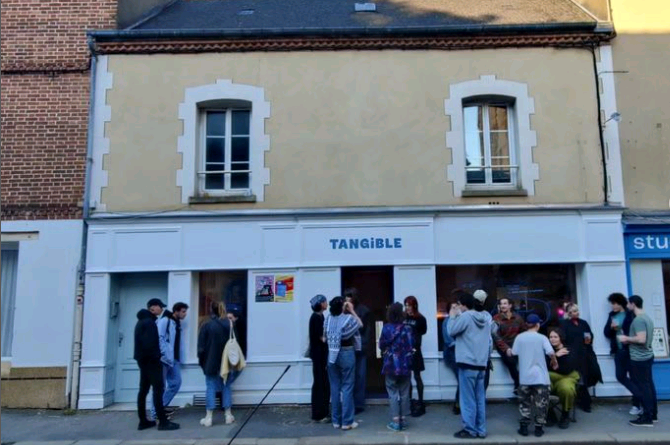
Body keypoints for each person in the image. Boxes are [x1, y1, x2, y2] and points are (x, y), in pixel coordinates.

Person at [447, 292, 493, 439]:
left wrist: (453, 316)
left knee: (467, 399)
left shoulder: (466, 317)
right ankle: (481, 429)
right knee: (480, 398)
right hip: (481, 364)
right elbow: (490, 341)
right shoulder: (486, 317)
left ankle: (470, 429)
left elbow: (451, 331)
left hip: (467, 363)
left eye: (459, 304)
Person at [134, 300, 179, 431]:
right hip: (152, 362)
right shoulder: (150, 323)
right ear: (153, 308)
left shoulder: (141, 322)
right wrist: (158, 357)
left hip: (143, 361)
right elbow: (151, 344)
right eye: (160, 307)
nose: (161, 309)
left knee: (143, 390)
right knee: (158, 390)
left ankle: (143, 421)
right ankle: (163, 422)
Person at [511, 314, 558, 438]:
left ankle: (524, 428)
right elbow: (551, 352)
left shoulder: (519, 338)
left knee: (524, 403)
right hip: (541, 377)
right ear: (537, 325)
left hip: (525, 376)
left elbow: (514, 353)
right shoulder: (542, 338)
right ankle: (538, 429)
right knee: (541, 404)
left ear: (526, 325)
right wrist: (554, 361)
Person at [618, 295, 658, 427]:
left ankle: (647, 418)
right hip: (647, 356)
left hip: (639, 358)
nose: (627, 306)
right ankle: (653, 414)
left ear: (633, 304)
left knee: (644, 387)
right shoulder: (647, 318)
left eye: (629, 304)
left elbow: (641, 339)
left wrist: (626, 338)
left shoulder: (638, 320)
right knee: (649, 385)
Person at [325, 296, 363, 430]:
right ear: (342, 307)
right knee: (347, 387)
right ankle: (347, 422)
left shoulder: (328, 319)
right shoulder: (348, 319)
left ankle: (336, 420)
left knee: (334, 387)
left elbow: (325, 337)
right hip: (346, 352)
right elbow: (359, 324)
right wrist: (352, 310)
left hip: (332, 354)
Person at [197, 301, 237, 427]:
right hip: (227, 361)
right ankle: (228, 415)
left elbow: (201, 348)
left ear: (211, 310)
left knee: (210, 387)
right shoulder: (229, 324)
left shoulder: (206, 325)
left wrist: (202, 362)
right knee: (226, 386)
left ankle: (209, 417)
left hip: (211, 361)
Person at [150, 302, 189, 421]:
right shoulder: (165, 321)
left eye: (185, 311)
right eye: (183, 311)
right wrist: (164, 353)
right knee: (160, 387)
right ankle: (155, 412)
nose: (185, 314)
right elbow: (159, 337)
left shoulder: (176, 323)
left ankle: (160, 407)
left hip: (174, 359)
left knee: (176, 383)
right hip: (164, 359)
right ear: (176, 311)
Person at [560, 303, 601, 412]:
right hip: (572, 355)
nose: (577, 313)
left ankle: (582, 400)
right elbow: (563, 338)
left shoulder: (583, 323)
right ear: (568, 313)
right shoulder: (564, 324)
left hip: (585, 353)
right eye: (574, 311)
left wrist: (587, 341)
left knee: (591, 374)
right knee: (579, 377)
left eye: (577, 310)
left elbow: (588, 336)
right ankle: (585, 402)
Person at [379, 302, 414, 432]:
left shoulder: (386, 328)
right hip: (405, 363)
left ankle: (395, 420)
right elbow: (411, 346)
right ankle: (403, 419)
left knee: (392, 391)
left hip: (391, 363)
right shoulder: (408, 328)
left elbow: (381, 344)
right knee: (404, 392)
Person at [603, 292, 639, 414]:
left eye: (614, 303)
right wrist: (612, 328)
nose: (612, 306)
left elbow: (636, 332)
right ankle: (641, 397)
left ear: (620, 303)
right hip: (619, 350)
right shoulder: (612, 316)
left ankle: (637, 404)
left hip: (631, 350)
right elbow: (606, 333)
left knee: (635, 377)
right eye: (612, 304)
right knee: (620, 376)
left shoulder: (630, 314)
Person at [344, 288, 372, 414]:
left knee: (359, 376)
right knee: (351, 376)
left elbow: (365, 329)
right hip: (349, 346)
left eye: (349, 296)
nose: (347, 299)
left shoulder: (363, 311)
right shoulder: (344, 311)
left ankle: (358, 404)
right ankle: (351, 402)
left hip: (359, 346)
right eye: (346, 297)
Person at [547, 327, 579, 429]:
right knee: (540, 386)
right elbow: (541, 366)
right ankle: (549, 413)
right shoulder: (547, 351)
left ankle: (565, 414)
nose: (552, 339)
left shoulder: (568, 350)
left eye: (555, 337)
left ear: (561, 338)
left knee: (566, 389)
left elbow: (566, 369)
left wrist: (552, 364)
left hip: (566, 378)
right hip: (550, 379)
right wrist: (555, 356)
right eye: (550, 337)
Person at [492, 296, 525, 391]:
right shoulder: (496, 318)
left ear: (510, 305)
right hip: (503, 346)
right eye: (501, 304)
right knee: (511, 361)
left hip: (517, 345)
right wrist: (506, 349)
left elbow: (524, 332)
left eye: (505, 303)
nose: (502, 306)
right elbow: (495, 336)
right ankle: (518, 385)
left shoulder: (518, 318)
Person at [403, 295, 427, 417]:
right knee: (407, 378)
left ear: (414, 306)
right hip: (405, 351)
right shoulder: (403, 317)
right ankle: (409, 401)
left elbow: (423, 331)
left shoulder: (420, 319)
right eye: (406, 305)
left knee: (417, 376)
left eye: (409, 305)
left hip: (415, 350)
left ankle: (421, 401)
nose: (407, 308)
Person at [308, 294, 330, 423]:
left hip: (319, 355)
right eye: (325, 302)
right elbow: (321, 337)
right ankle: (319, 413)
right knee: (320, 383)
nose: (327, 304)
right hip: (319, 356)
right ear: (321, 304)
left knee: (321, 382)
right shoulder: (317, 318)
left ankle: (321, 411)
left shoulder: (319, 316)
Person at [442, 301, 460, 415]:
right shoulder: (447, 321)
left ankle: (458, 404)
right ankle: (457, 404)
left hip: (459, 353)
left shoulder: (461, 320)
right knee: (461, 378)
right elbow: (448, 339)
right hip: (452, 353)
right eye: (452, 307)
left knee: (462, 379)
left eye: (456, 307)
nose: (455, 309)